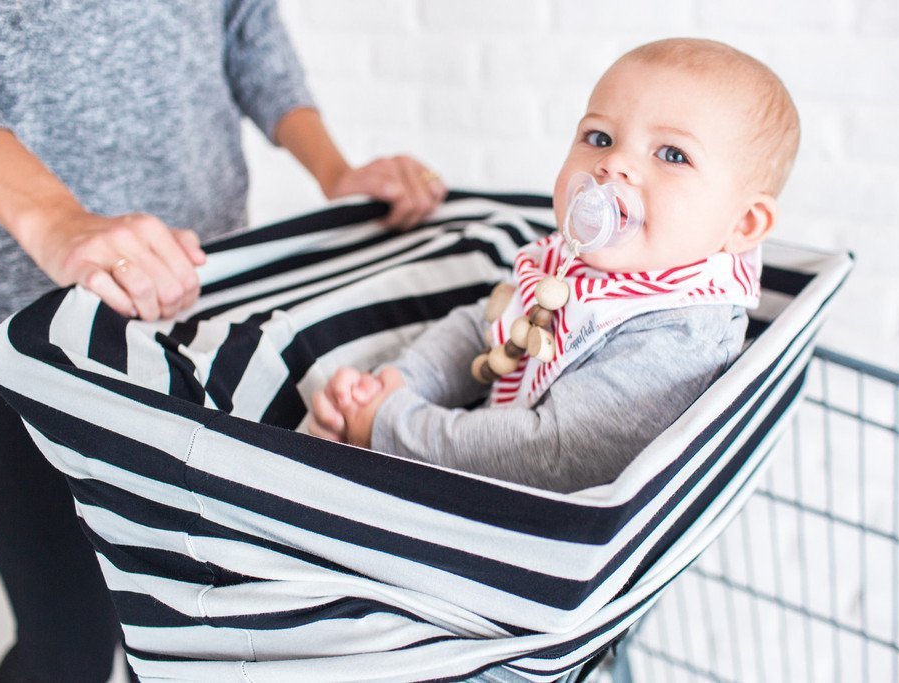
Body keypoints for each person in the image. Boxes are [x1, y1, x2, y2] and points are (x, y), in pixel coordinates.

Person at [0, 2, 445, 681]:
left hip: (198, 303)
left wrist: (336, 172)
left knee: (194, 635)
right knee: (68, 644)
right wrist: (56, 221)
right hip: (6, 321)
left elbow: (244, 20)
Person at [309, 37, 800, 495]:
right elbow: (486, 329)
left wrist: (391, 425)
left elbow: (547, 453)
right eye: (600, 137)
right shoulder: (582, 263)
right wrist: (399, 382)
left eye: (672, 154)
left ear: (744, 223)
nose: (613, 164)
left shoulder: (678, 336)